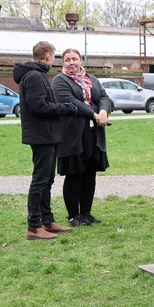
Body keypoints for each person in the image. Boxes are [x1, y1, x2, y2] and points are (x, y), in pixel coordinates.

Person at [14, 41, 79, 241]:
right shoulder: (34, 76)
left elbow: (43, 104)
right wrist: (65, 108)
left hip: (48, 134)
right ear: (48, 56)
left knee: (47, 179)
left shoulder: (38, 74)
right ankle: (34, 226)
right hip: (41, 135)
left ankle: (47, 220)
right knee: (40, 180)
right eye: (55, 56)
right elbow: (39, 107)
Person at [52, 48, 110, 226]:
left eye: (75, 59)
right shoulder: (59, 81)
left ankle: (86, 213)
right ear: (63, 62)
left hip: (93, 133)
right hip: (72, 135)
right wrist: (94, 115)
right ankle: (73, 215)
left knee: (89, 173)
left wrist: (103, 111)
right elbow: (71, 102)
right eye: (67, 59)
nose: (72, 63)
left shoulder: (91, 79)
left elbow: (104, 97)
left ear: (80, 61)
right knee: (74, 174)